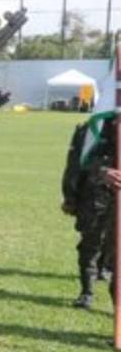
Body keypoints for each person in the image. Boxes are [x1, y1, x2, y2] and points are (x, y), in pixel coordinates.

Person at [63, 110, 118, 309]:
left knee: (115, 250)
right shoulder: (94, 127)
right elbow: (77, 163)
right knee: (90, 244)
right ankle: (87, 291)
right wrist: (70, 197)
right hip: (95, 196)